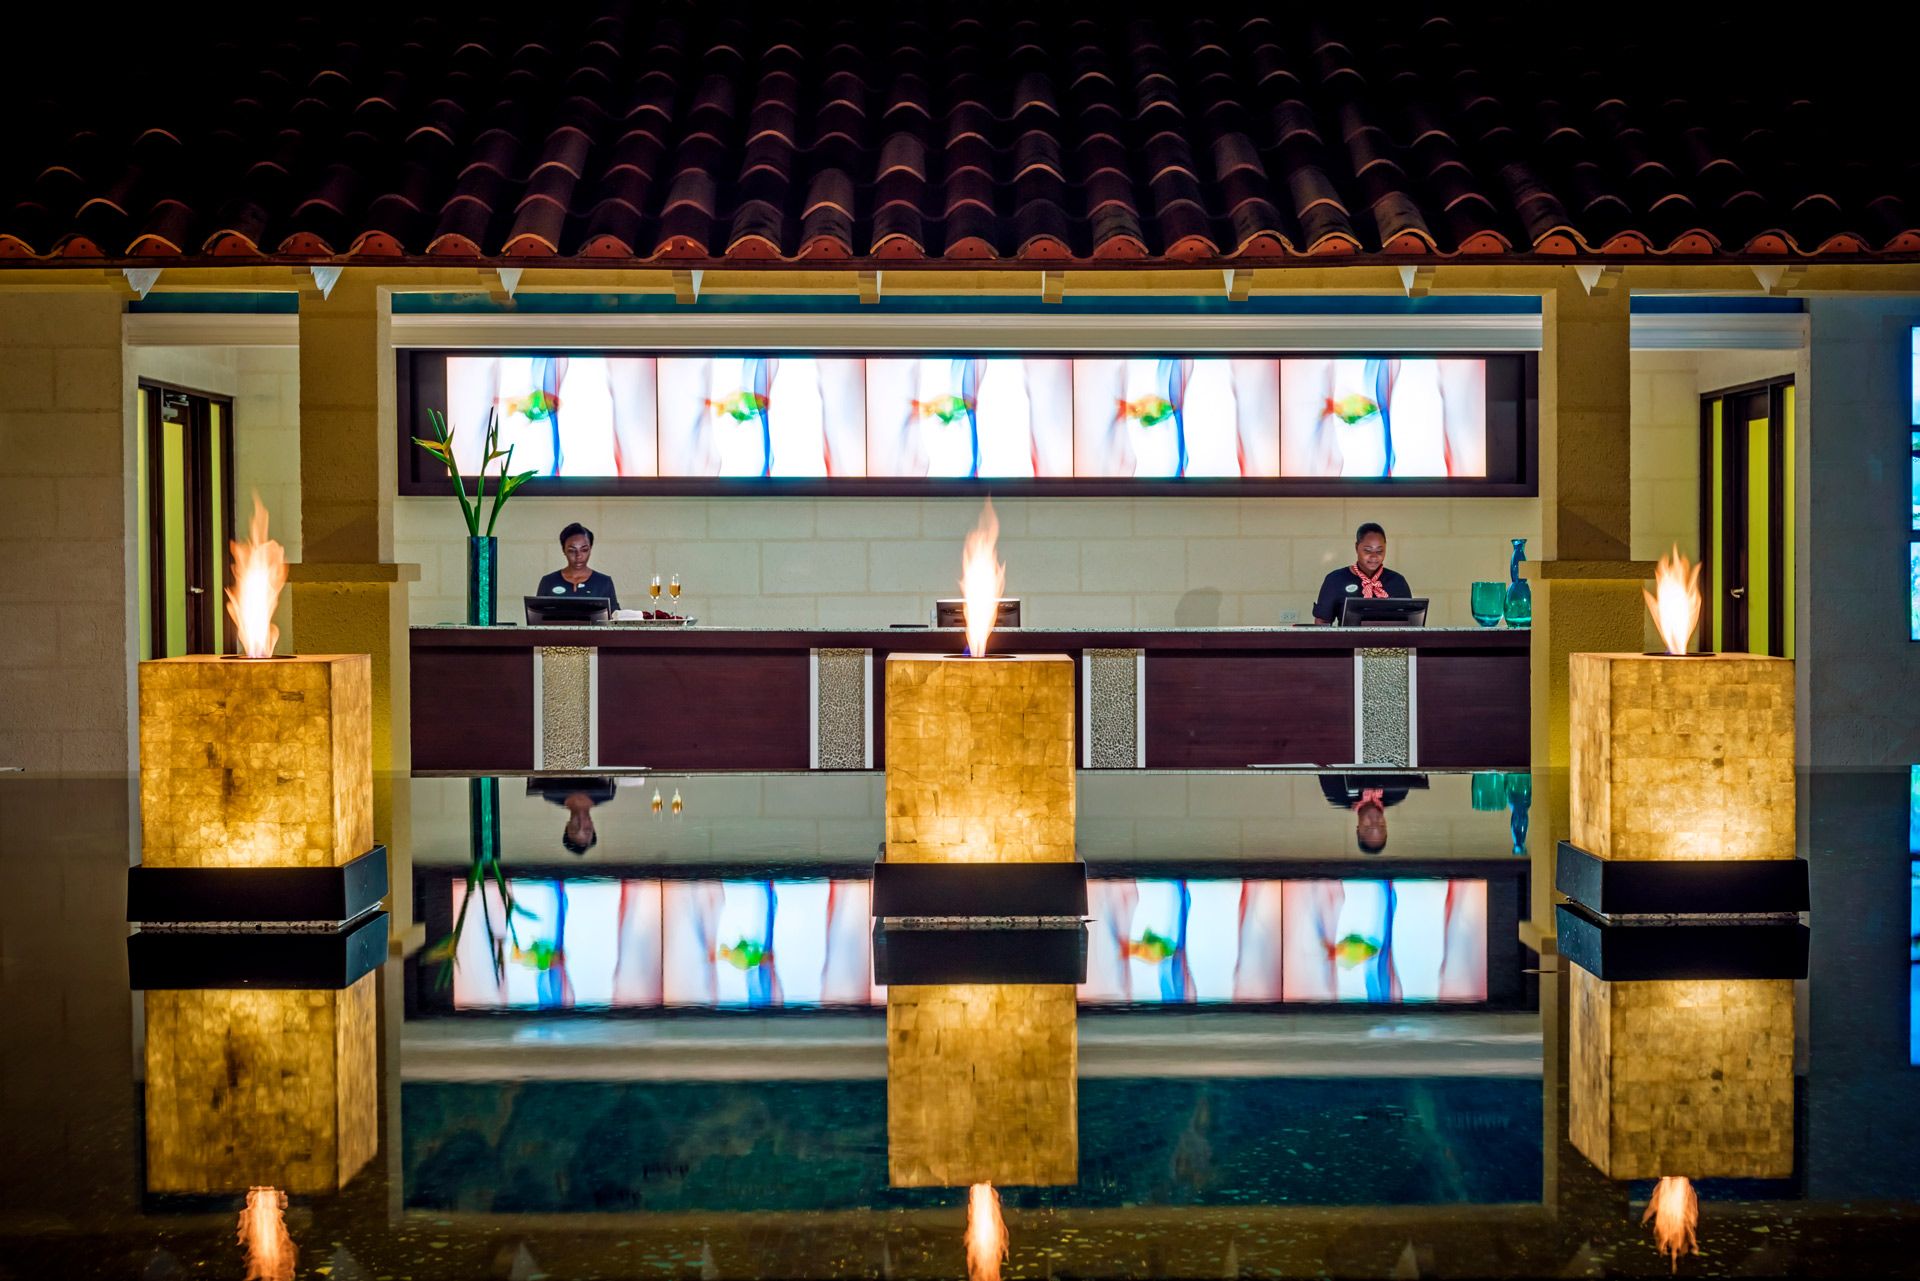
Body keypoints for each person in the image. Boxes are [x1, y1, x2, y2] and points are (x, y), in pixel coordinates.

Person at [1312, 522, 1412, 624]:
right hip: (1349, 640)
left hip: (1390, 640)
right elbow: (1322, 622)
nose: (1374, 556)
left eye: (1379, 551)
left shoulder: (1397, 582)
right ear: (1357, 548)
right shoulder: (1335, 580)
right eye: (1368, 551)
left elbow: (1411, 623)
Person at [536, 522, 620, 609]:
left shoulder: (604, 582)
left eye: (584, 550)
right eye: (572, 550)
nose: (578, 556)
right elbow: (537, 617)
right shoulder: (548, 582)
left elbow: (615, 618)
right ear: (564, 550)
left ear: (590, 549)